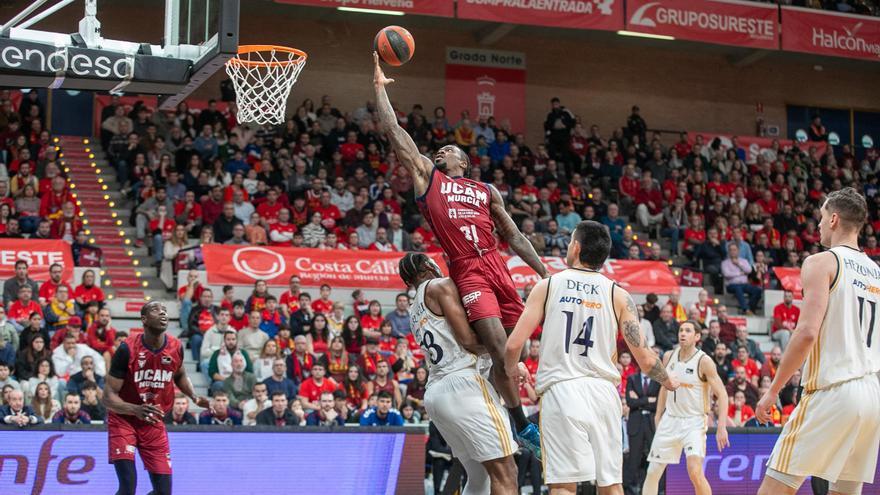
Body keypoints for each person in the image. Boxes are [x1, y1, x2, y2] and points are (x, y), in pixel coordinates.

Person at [373, 53, 547, 451]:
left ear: (464, 161)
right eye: (438, 151)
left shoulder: (488, 191)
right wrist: (380, 89)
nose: (440, 153)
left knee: (518, 347)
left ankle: (523, 397)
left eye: (448, 149)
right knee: (502, 348)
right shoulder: (429, 180)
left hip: (498, 265)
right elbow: (396, 134)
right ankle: (522, 424)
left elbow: (517, 237)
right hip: (468, 270)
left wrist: (545, 275)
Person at [505, 220, 678, 495]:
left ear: (575, 246)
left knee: (563, 485)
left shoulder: (548, 286)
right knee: (611, 484)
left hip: (561, 391)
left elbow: (513, 343)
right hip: (604, 393)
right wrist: (670, 382)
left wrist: (513, 367)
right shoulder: (618, 293)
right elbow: (646, 360)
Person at [756, 188, 880, 495]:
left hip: (833, 390)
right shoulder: (877, 273)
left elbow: (806, 332)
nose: (819, 225)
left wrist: (773, 390)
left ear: (834, 219)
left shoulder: (821, 262)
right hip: (872, 394)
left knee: (774, 488)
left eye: (822, 218)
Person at [399, 252, 518, 493]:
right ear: (427, 266)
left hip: (436, 393)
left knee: (480, 477)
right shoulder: (439, 285)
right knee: (506, 472)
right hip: (462, 385)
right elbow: (469, 341)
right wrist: (505, 351)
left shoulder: (414, 309)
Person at [103, 302, 210, 495]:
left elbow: (179, 375)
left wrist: (193, 395)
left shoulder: (176, 347)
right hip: (124, 419)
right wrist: (135, 409)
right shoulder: (127, 349)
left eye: (165, 310)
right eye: (156, 310)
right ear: (144, 319)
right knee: (128, 488)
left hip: (153, 421)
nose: (162, 313)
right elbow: (108, 397)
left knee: (163, 492)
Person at [642, 320, 730, 495]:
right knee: (652, 472)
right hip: (670, 419)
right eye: (681, 330)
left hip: (694, 421)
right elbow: (664, 387)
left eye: (688, 331)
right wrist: (658, 414)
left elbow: (722, 394)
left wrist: (721, 426)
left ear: (697, 336)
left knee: (695, 472)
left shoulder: (704, 361)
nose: (682, 333)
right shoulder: (668, 356)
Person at [721, 243, 762, 315]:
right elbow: (727, 274)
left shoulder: (743, 261)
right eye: (731, 250)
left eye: (734, 250)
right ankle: (745, 309)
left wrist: (738, 264)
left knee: (758, 290)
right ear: (728, 252)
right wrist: (740, 273)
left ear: (738, 251)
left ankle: (750, 308)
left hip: (744, 284)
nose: (733, 251)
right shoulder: (725, 263)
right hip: (731, 285)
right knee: (738, 288)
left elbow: (749, 270)